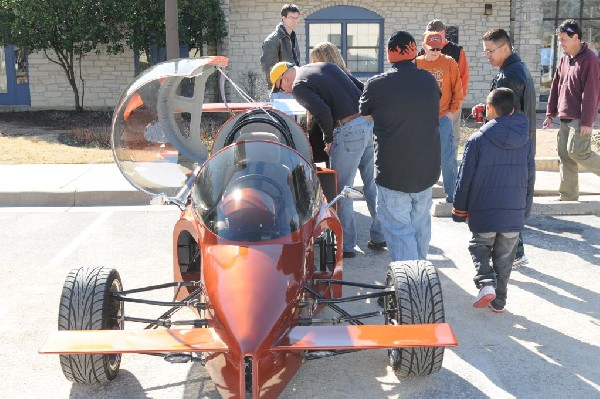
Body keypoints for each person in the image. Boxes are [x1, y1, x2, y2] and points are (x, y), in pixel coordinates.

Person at [269, 61, 385, 258]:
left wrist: (328, 139)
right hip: (368, 125)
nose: (285, 92)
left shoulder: (298, 86)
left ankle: (347, 245)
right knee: (372, 185)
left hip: (347, 130)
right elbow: (362, 89)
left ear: (284, 78)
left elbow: (323, 112)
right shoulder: (325, 66)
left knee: (342, 190)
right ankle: (379, 236)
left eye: (281, 87)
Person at [359, 31, 441, 261]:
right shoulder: (428, 80)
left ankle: (410, 285)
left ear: (389, 53)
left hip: (393, 171)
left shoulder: (376, 84)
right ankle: (420, 276)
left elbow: (365, 116)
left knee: (398, 229)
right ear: (414, 51)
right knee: (419, 224)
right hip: (426, 169)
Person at [453, 88, 535, 313]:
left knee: (479, 246)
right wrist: (524, 212)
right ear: (511, 110)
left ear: (489, 109)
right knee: (505, 259)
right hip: (513, 212)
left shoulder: (477, 140)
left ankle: (486, 283)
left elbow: (465, 178)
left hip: (484, 211)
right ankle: (499, 302)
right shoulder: (526, 141)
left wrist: (459, 209)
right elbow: (530, 179)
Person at [477, 28, 537, 269]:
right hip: (520, 145)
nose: (487, 56)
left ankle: (515, 253)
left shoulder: (508, 76)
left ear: (505, 48)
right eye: (485, 52)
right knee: (509, 200)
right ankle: (514, 252)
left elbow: (505, 119)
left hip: (508, 148)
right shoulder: (518, 68)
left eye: (490, 51)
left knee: (504, 201)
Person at [543, 19, 600, 202]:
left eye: (563, 39)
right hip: (564, 115)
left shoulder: (589, 59)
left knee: (578, 153)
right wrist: (550, 113)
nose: (560, 43)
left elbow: (592, 92)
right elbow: (555, 86)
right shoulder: (565, 58)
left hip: (579, 117)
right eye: (559, 39)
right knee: (565, 156)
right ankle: (568, 197)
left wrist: (587, 121)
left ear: (575, 37)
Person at [416, 32, 463, 202]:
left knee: (447, 158)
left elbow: (458, 92)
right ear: (424, 47)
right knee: (421, 157)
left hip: (443, 117)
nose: (435, 51)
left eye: (438, 48)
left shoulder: (450, 62)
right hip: (422, 120)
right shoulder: (416, 63)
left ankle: (453, 195)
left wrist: (450, 114)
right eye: (432, 48)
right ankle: (420, 194)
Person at [306, 42, 363, 166]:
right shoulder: (347, 77)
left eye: (315, 61)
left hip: (337, 130)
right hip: (351, 129)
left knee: (337, 174)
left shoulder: (328, 78)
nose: (313, 65)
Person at [420, 19, 470, 154]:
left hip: (451, 106)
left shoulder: (456, 51)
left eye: (434, 34)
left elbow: (463, 78)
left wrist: (456, 105)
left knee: (450, 141)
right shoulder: (423, 51)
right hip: (428, 109)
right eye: (428, 34)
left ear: (443, 33)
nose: (431, 38)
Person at [260, 4, 301, 98]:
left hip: (293, 89)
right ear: (283, 18)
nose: (294, 20)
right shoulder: (272, 40)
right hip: (280, 92)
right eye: (291, 17)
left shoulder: (293, 37)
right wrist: (283, 85)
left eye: (296, 17)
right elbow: (268, 69)